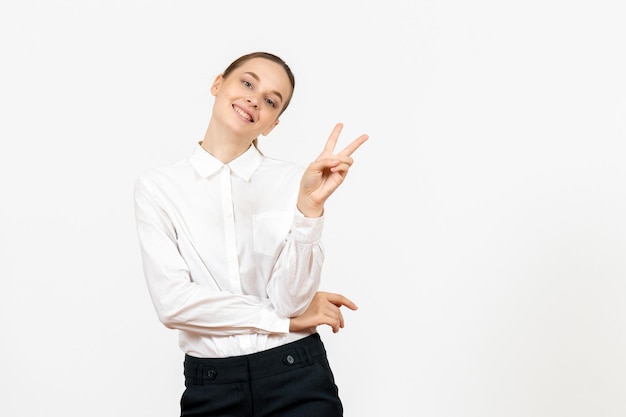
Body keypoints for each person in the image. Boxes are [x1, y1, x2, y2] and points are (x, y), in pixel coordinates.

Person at [133, 51, 368, 417]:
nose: (254, 99)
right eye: (247, 82)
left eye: (271, 101)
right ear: (217, 84)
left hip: (297, 374)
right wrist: (280, 320)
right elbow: (173, 303)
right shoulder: (159, 188)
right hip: (212, 385)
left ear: (272, 123)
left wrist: (310, 209)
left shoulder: (297, 181)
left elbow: (291, 301)